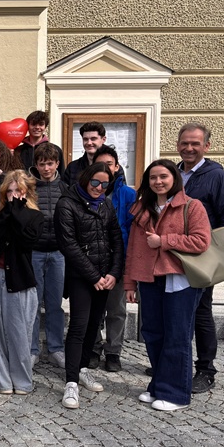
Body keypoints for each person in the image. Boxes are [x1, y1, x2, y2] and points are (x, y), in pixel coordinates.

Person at [125, 160, 211, 411]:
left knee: (177, 336)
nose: (158, 181)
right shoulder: (142, 208)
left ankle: (176, 394)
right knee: (153, 333)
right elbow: (133, 249)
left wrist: (164, 240)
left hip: (180, 279)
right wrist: (129, 282)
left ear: (174, 178)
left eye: (163, 176)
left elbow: (201, 241)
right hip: (150, 279)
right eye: (153, 177)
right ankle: (158, 386)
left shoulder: (191, 206)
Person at [176, 122, 224, 394]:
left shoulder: (218, 177)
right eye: (184, 143)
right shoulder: (172, 173)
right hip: (172, 254)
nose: (189, 148)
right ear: (177, 144)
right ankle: (175, 362)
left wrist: (219, 259)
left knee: (200, 312)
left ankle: (205, 369)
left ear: (206, 146)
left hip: (203, 256)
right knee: (176, 311)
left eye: (195, 143)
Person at [55, 162, 123, 409]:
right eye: (95, 182)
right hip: (82, 277)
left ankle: (83, 368)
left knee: (95, 325)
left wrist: (114, 273)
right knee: (79, 326)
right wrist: (94, 276)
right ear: (86, 179)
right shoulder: (66, 203)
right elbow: (69, 245)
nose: (99, 187)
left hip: (105, 276)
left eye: (105, 184)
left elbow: (116, 237)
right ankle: (71, 382)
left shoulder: (106, 203)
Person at [0, 171, 44, 395]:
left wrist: (16, 211)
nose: (14, 195)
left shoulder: (35, 216)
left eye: (19, 191)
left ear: (27, 193)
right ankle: (2, 381)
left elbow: (27, 240)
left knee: (19, 333)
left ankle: (22, 381)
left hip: (18, 280)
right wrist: (6, 213)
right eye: (10, 191)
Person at [90, 145, 136, 372]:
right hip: (93, 262)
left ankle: (113, 352)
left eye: (110, 164)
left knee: (116, 310)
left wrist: (124, 264)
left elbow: (133, 230)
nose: (105, 168)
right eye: (101, 164)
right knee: (93, 310)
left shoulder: (128, 194)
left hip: (118, 262)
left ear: (116, 167)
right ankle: (93, 348)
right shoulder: (86, 193)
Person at [29, 143, 68, 368]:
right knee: (33, 305)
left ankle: (55, 348)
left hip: (58, 253)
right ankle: (33, 349)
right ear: (36, 165)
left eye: (50, 163)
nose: (46, 168)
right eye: (42, 163)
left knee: (54, 304)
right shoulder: (30, 187)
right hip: (35, 252)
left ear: (57, 164)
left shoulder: (65, 188)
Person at [62, 121, 106, 186]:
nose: (89, 143)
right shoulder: (72, 167)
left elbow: (119, 193)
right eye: (85, 139)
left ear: (103, 139)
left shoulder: (112, 166)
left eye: (93, 139)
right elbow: (65, 192)